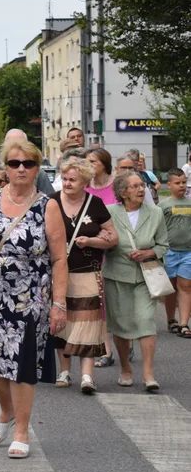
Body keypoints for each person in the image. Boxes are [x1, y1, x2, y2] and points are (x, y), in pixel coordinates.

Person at [0, 139, 69, 458]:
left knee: (22, 367)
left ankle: (21, 429)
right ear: (5, 168)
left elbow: (60, 259)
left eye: (27, 164)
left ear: (38, 168)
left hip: (31, 298)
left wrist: (59, 304)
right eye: (13, 163)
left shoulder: (46, 205)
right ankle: (7, 411)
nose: (20, 169)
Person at [50, 156, 118, 394]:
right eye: (65, 178)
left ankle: (87, 375)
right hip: (56, 272)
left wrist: (91, 240)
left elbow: (112, 236)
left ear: (84, 182)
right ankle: (64, 370)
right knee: (61, 321)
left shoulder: (95, 203)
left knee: (88, 321)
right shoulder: (51, 202)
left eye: (72, 180)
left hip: (88, 271)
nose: (67, 183)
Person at [103, 171, 169, 391]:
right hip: (116, 276)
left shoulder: (156, 213)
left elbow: (163, 245)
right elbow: (103, 239)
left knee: (145, 322)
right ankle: (125, 369)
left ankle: (149, 375)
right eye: (134, 186)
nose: (141, 189)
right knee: (121, 325)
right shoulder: (110, 212)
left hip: (145, 277)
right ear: (122, 192)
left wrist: (148, 252)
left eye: (142, 185)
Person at [160, 169, 191, 336]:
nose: (182, 186)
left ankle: (185, 323)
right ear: (169, 184)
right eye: (178, 183)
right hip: (169, 252)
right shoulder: (163, 206)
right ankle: (171, 319)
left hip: (188, 252)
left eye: (184, 182)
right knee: (171, 288)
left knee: (186, 287)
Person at [5, 129, 54, 194]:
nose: (21, 169)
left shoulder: (39, 174)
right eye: (11, 143)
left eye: (20, 143)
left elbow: (50, 198)